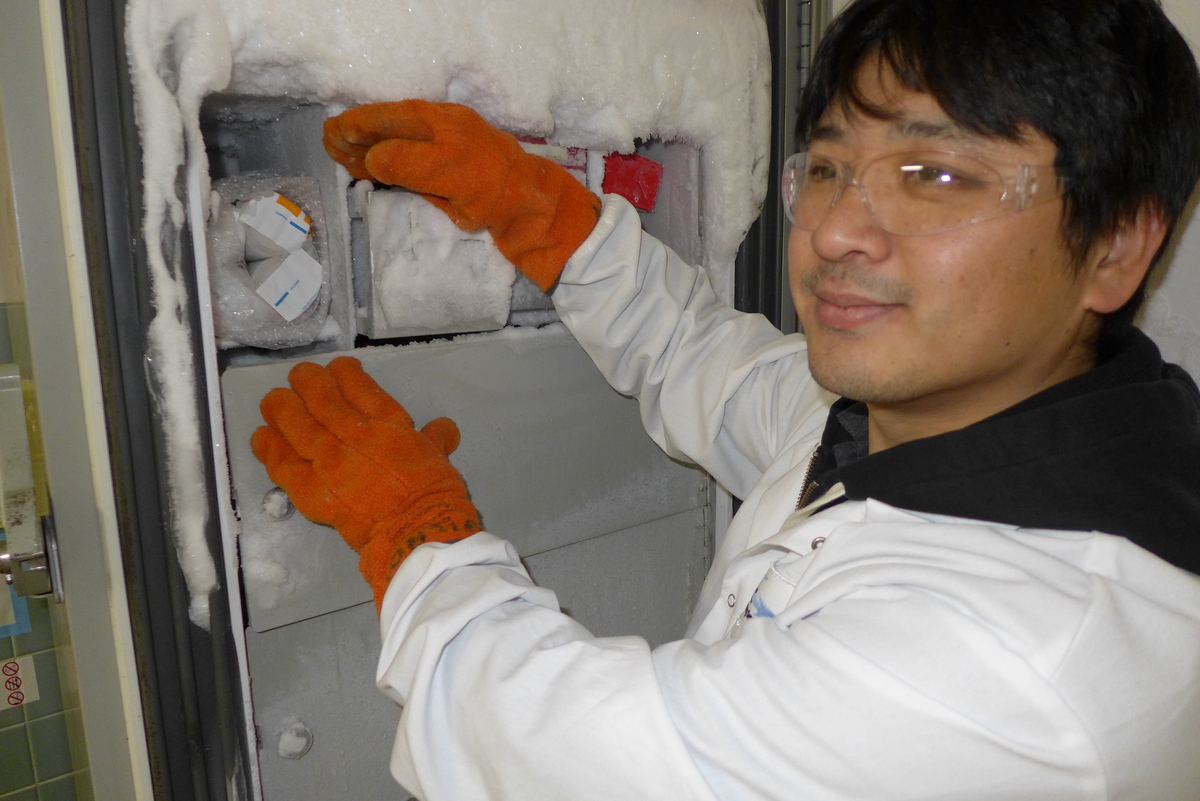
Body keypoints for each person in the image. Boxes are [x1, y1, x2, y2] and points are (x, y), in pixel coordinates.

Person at [251, 0, 1200, 797]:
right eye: (828, 168)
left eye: (935, 175)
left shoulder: (1017, 667)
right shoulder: (948, 414)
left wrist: (415, 531)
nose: (834, 233)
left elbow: (570, 758)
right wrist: (551, 221)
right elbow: (703, 357)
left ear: (1116, 244)